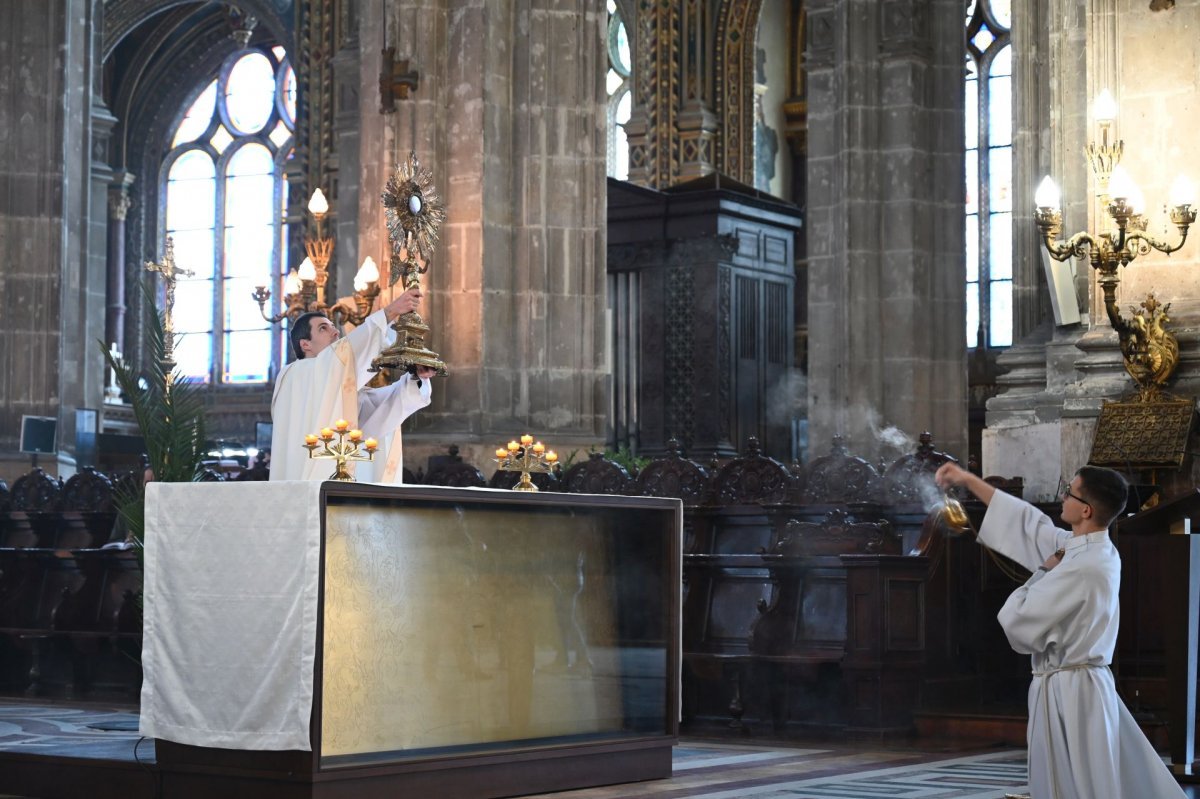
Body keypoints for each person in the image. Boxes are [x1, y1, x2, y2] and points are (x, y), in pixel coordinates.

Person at [935, 461, 1185, 799]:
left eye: (1070, 492)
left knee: (1083, 783)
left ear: (1085, 510)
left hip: (1073, 691)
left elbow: (1016, 619)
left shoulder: (1084, 564)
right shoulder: (1084, 547)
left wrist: (1041, 570)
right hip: (1071, 683)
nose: (1062, 497)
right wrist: (967, 480)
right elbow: (1027, 523)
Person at [270, 287, 436, 483]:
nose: (334, 332)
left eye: (333, 326)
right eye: (323, 328)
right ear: (305, 344)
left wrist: (416, 378)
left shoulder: (336, 386)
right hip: (305, 483)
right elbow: (340, 357)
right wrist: (390, 312)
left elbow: (381, 409)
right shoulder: (295, 374)